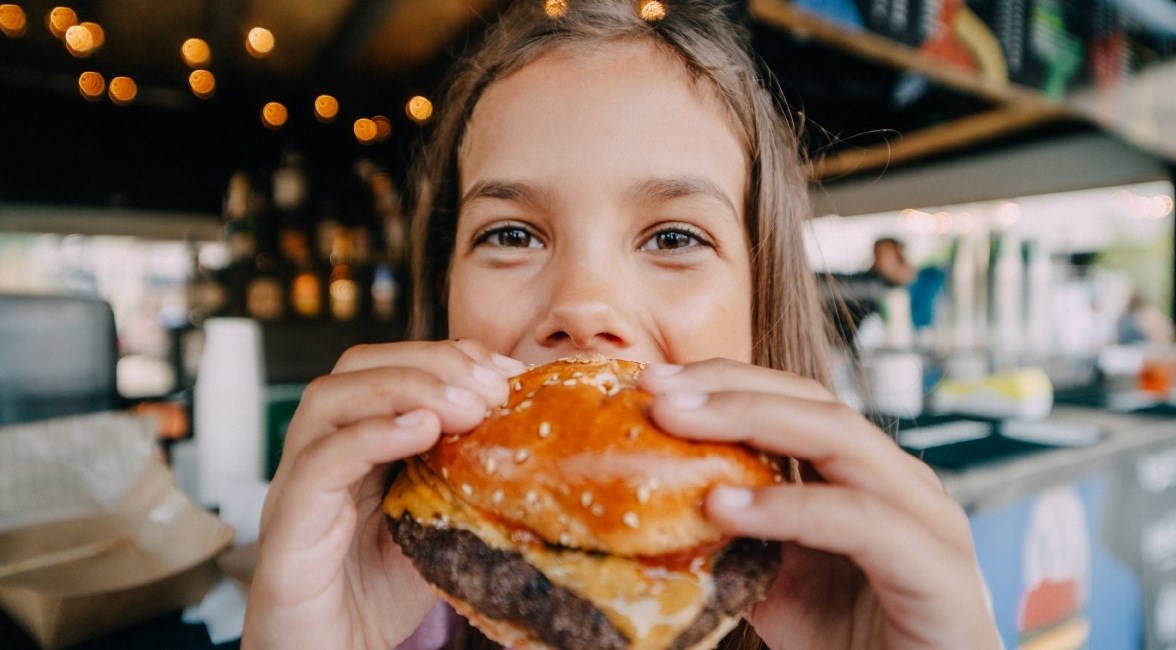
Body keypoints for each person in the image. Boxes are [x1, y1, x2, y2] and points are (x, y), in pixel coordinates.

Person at [243, 1, 1000, 648]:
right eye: (511, 234)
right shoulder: (376, 609)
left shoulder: (858, 609)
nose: (583, 306)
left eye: (674, 237)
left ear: (760, 301)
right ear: (445, 292)